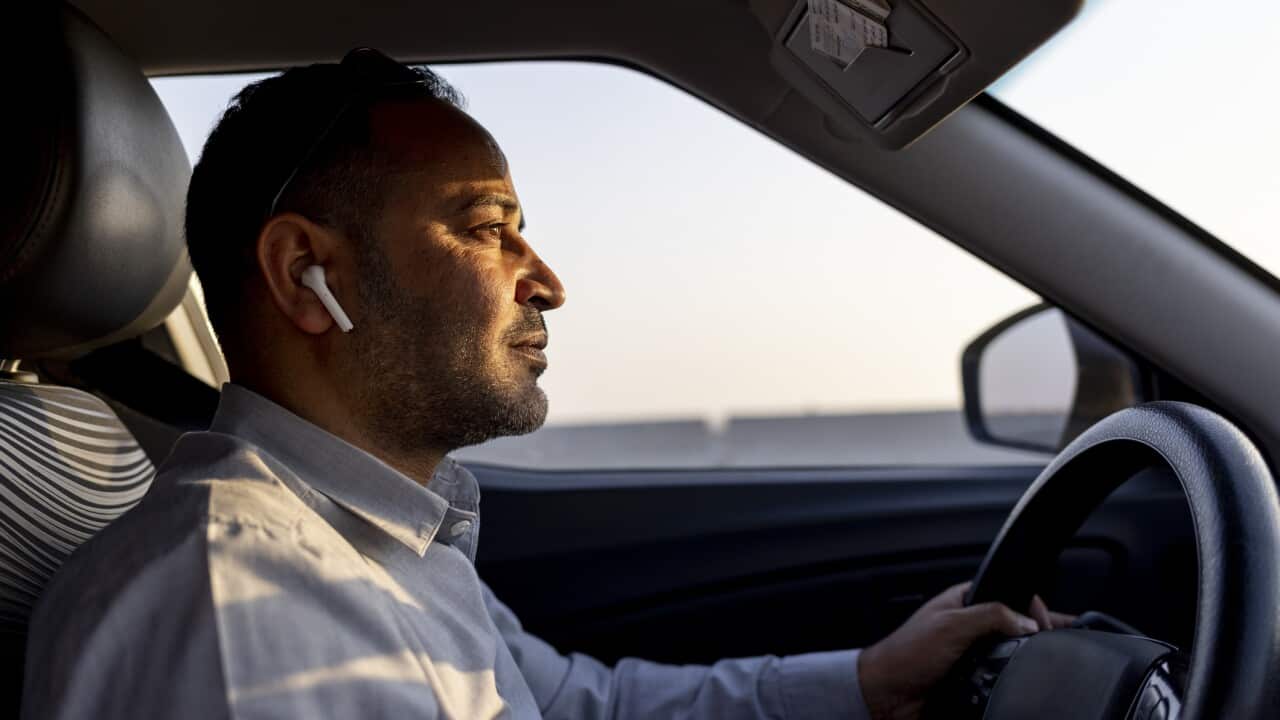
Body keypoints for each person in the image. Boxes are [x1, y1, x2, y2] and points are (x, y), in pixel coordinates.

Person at [22, 49, 1069, 720]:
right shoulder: (238, 614)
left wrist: (871, 679)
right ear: (307, 275)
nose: (548, 283)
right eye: (488, 227)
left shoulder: (374, 536)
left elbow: (573, 704)